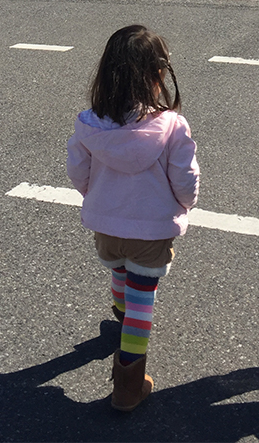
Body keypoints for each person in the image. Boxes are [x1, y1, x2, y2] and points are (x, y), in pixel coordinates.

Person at [67, 24, 200, 412]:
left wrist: (98, 197)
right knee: (144, 301)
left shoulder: (89, 124)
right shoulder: (171, 127)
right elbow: (185, 180)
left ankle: (119, 314)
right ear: (158, 76)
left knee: (119, 271)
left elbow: (78, 173)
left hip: (107, 226)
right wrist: (185, 204)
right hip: (152, 230)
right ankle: (128, 383)